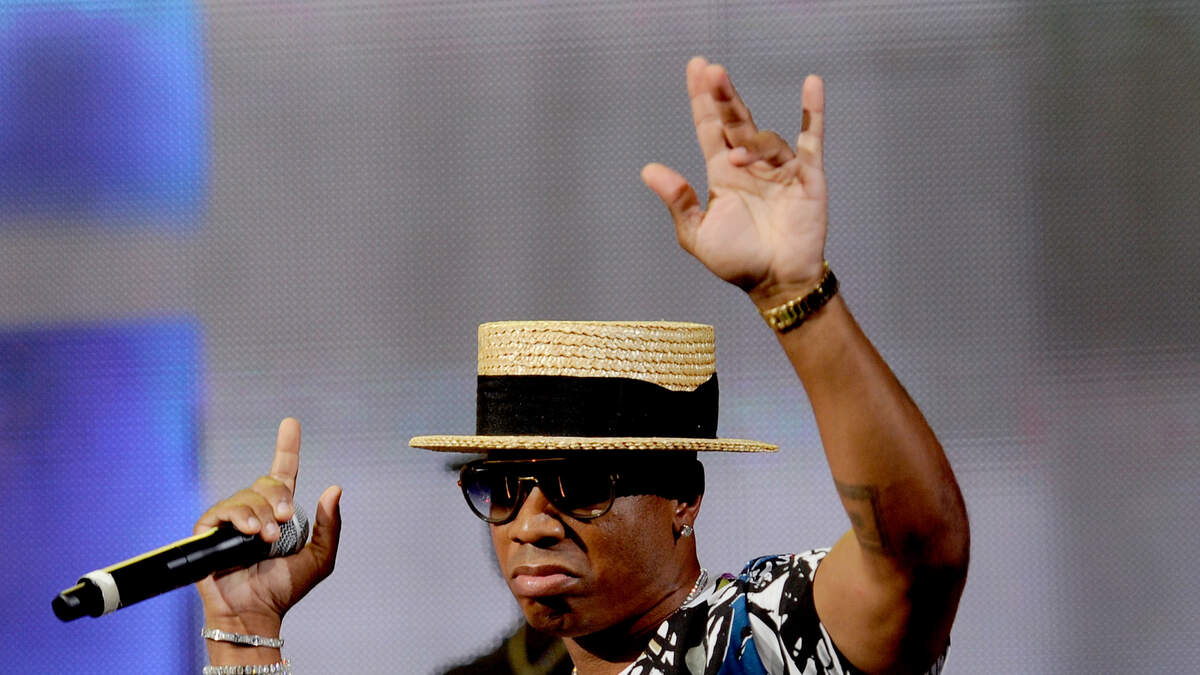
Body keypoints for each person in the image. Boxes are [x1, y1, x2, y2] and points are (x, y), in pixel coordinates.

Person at [192, 56, 969, 674]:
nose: (530, 524)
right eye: (502, 487)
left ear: (683, 497)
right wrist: (244, 626)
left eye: (583, 482)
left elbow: (920, 560)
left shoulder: (747, 640)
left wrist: (795, 294)